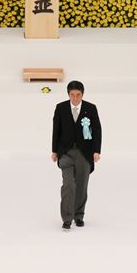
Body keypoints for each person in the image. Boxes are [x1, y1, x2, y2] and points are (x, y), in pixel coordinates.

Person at [52, 80, 102, 230]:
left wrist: (96, 151)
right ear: (68, 94)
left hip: (84, 153)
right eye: (72, 95)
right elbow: (56, 130)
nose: (75, 98)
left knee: (81, 185)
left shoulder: (91, 108)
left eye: (78, 95)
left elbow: (97, 130)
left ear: (82, 94)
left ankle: (78, 215)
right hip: (65, 152)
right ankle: (67, 218)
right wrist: (54, 150)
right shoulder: (60, 108)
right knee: (68, 185)